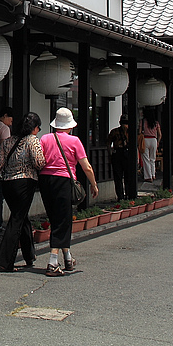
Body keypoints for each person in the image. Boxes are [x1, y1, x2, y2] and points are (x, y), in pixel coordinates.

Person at [37, 107, 99, 277]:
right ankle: (52, 261)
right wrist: (93, 184)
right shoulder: (74, 141)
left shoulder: (45, 138)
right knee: (62, 220)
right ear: (70, 125)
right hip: (64, 180)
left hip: (45, 180)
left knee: (56, 218)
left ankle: (68, 257)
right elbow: (86, 166)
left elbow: (39, 159)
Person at [0, 111, 45, 273]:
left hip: (7, 184)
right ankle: (4, 262)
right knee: (17, 220)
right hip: (25, 183)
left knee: (22, 217)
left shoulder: (8, 141)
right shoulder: (32, 140)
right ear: (34, 128)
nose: (38, 131)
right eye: (38, 127)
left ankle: (29, 255)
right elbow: (39, 163)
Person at [107, 114, 133, 201]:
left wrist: (110, 154)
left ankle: (122, 196)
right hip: (123, 153)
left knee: (120, 177)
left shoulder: (115, 131)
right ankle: (126, 195)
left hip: (118, 153)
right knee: (125, 176)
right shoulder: (129, 132)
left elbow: (108, 144)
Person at [139, 108, 161, 183]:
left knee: (146, 159)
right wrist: (157, 142)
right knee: (152, 159)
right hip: (153, 140)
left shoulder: (142, 122)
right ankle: (153, 174)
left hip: (145, 139)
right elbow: (160, 134)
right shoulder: (156, 123)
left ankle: (148, 176)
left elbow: (139, 132)